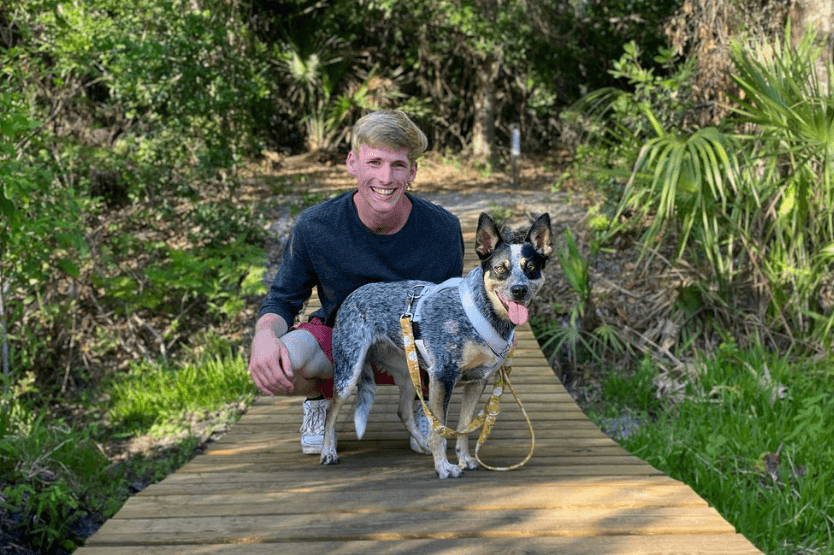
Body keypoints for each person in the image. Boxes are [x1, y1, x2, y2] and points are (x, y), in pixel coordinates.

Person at [248, 110, 465, 454]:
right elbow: (283, 299)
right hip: (342, 343)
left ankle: (425, 406)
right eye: (374, 161)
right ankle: (320, 396)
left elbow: (453, 305)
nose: (385, 176)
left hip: (412, 350)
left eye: (397, 165)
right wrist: (263, 336)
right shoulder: (316, 226)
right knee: (285, 359)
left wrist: (496, 332)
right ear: (352, 163)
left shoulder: (443, 229)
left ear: (412, 172)